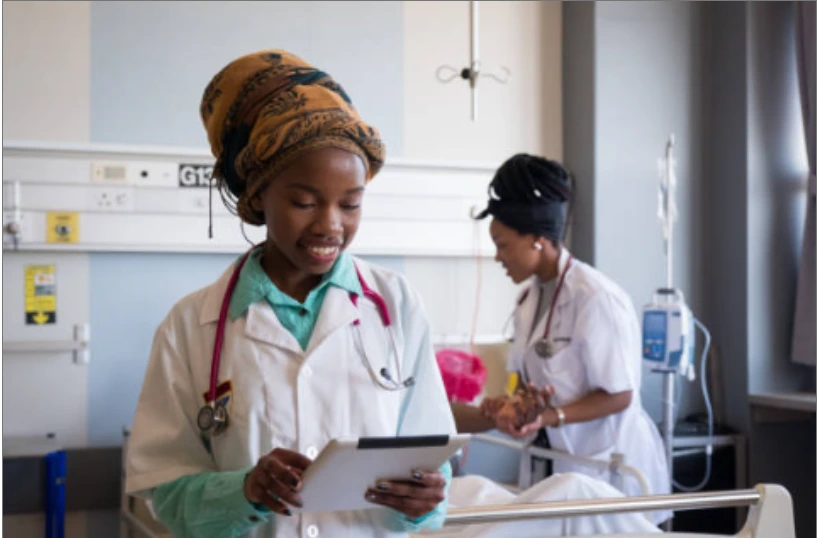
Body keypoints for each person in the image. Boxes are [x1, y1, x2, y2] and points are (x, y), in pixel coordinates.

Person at [125, 50, 456, 538]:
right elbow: (167, 494)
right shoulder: (190, 327)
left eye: (351, 204)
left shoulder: (397, 306)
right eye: (304, 202)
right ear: (257, 197)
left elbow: (432, 457)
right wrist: (245, 491)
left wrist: (426, 499)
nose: (330, 225)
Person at [451, 153, 670, 524]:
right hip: (558, 467)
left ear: (536, 239)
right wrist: (514, 407)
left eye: (503, 245)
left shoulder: (596, 298)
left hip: (611, 468)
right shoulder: (528, 300)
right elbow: (531, 380)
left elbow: (620, 394)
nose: (497, 257)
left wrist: (551, 416)